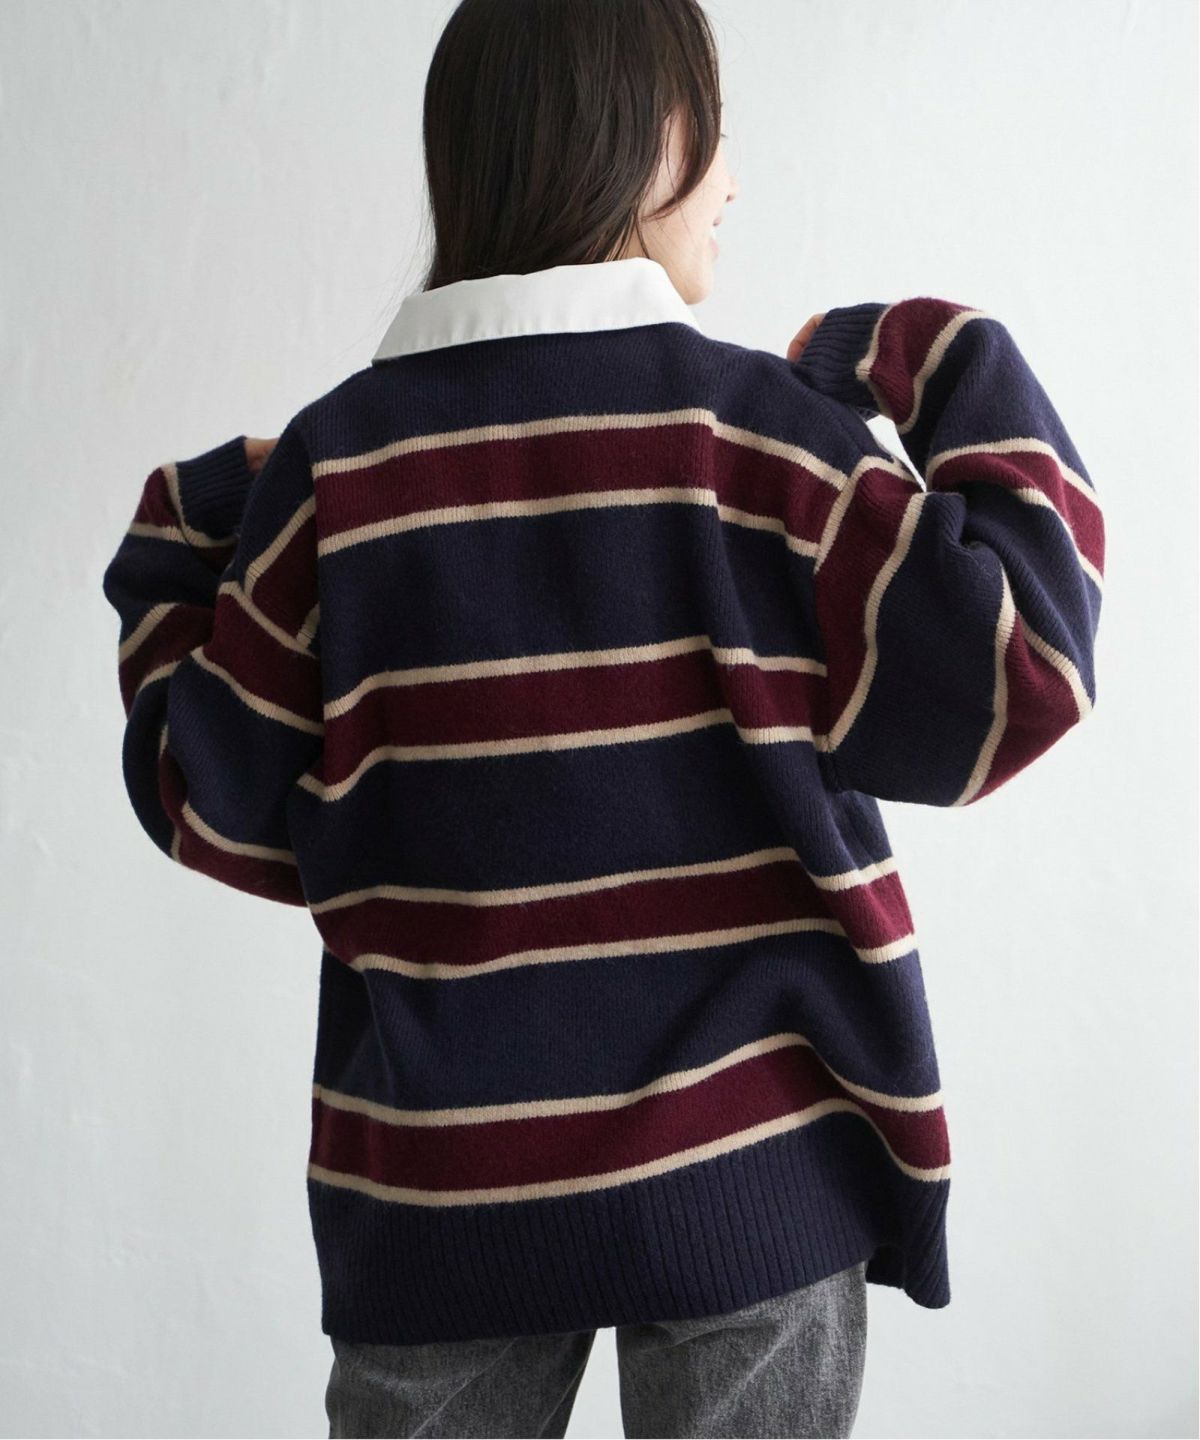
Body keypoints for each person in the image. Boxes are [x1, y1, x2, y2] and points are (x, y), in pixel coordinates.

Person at [99, 0, 1105, 1435]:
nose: (735, 181)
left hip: (441, 1196)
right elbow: (1028, 666)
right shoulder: (766, 446)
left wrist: (182, 531)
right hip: (753, 1177)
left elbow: (205, 794)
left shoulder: (341, 477)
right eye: (719, 133)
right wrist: (928, 353)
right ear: (655, 137)